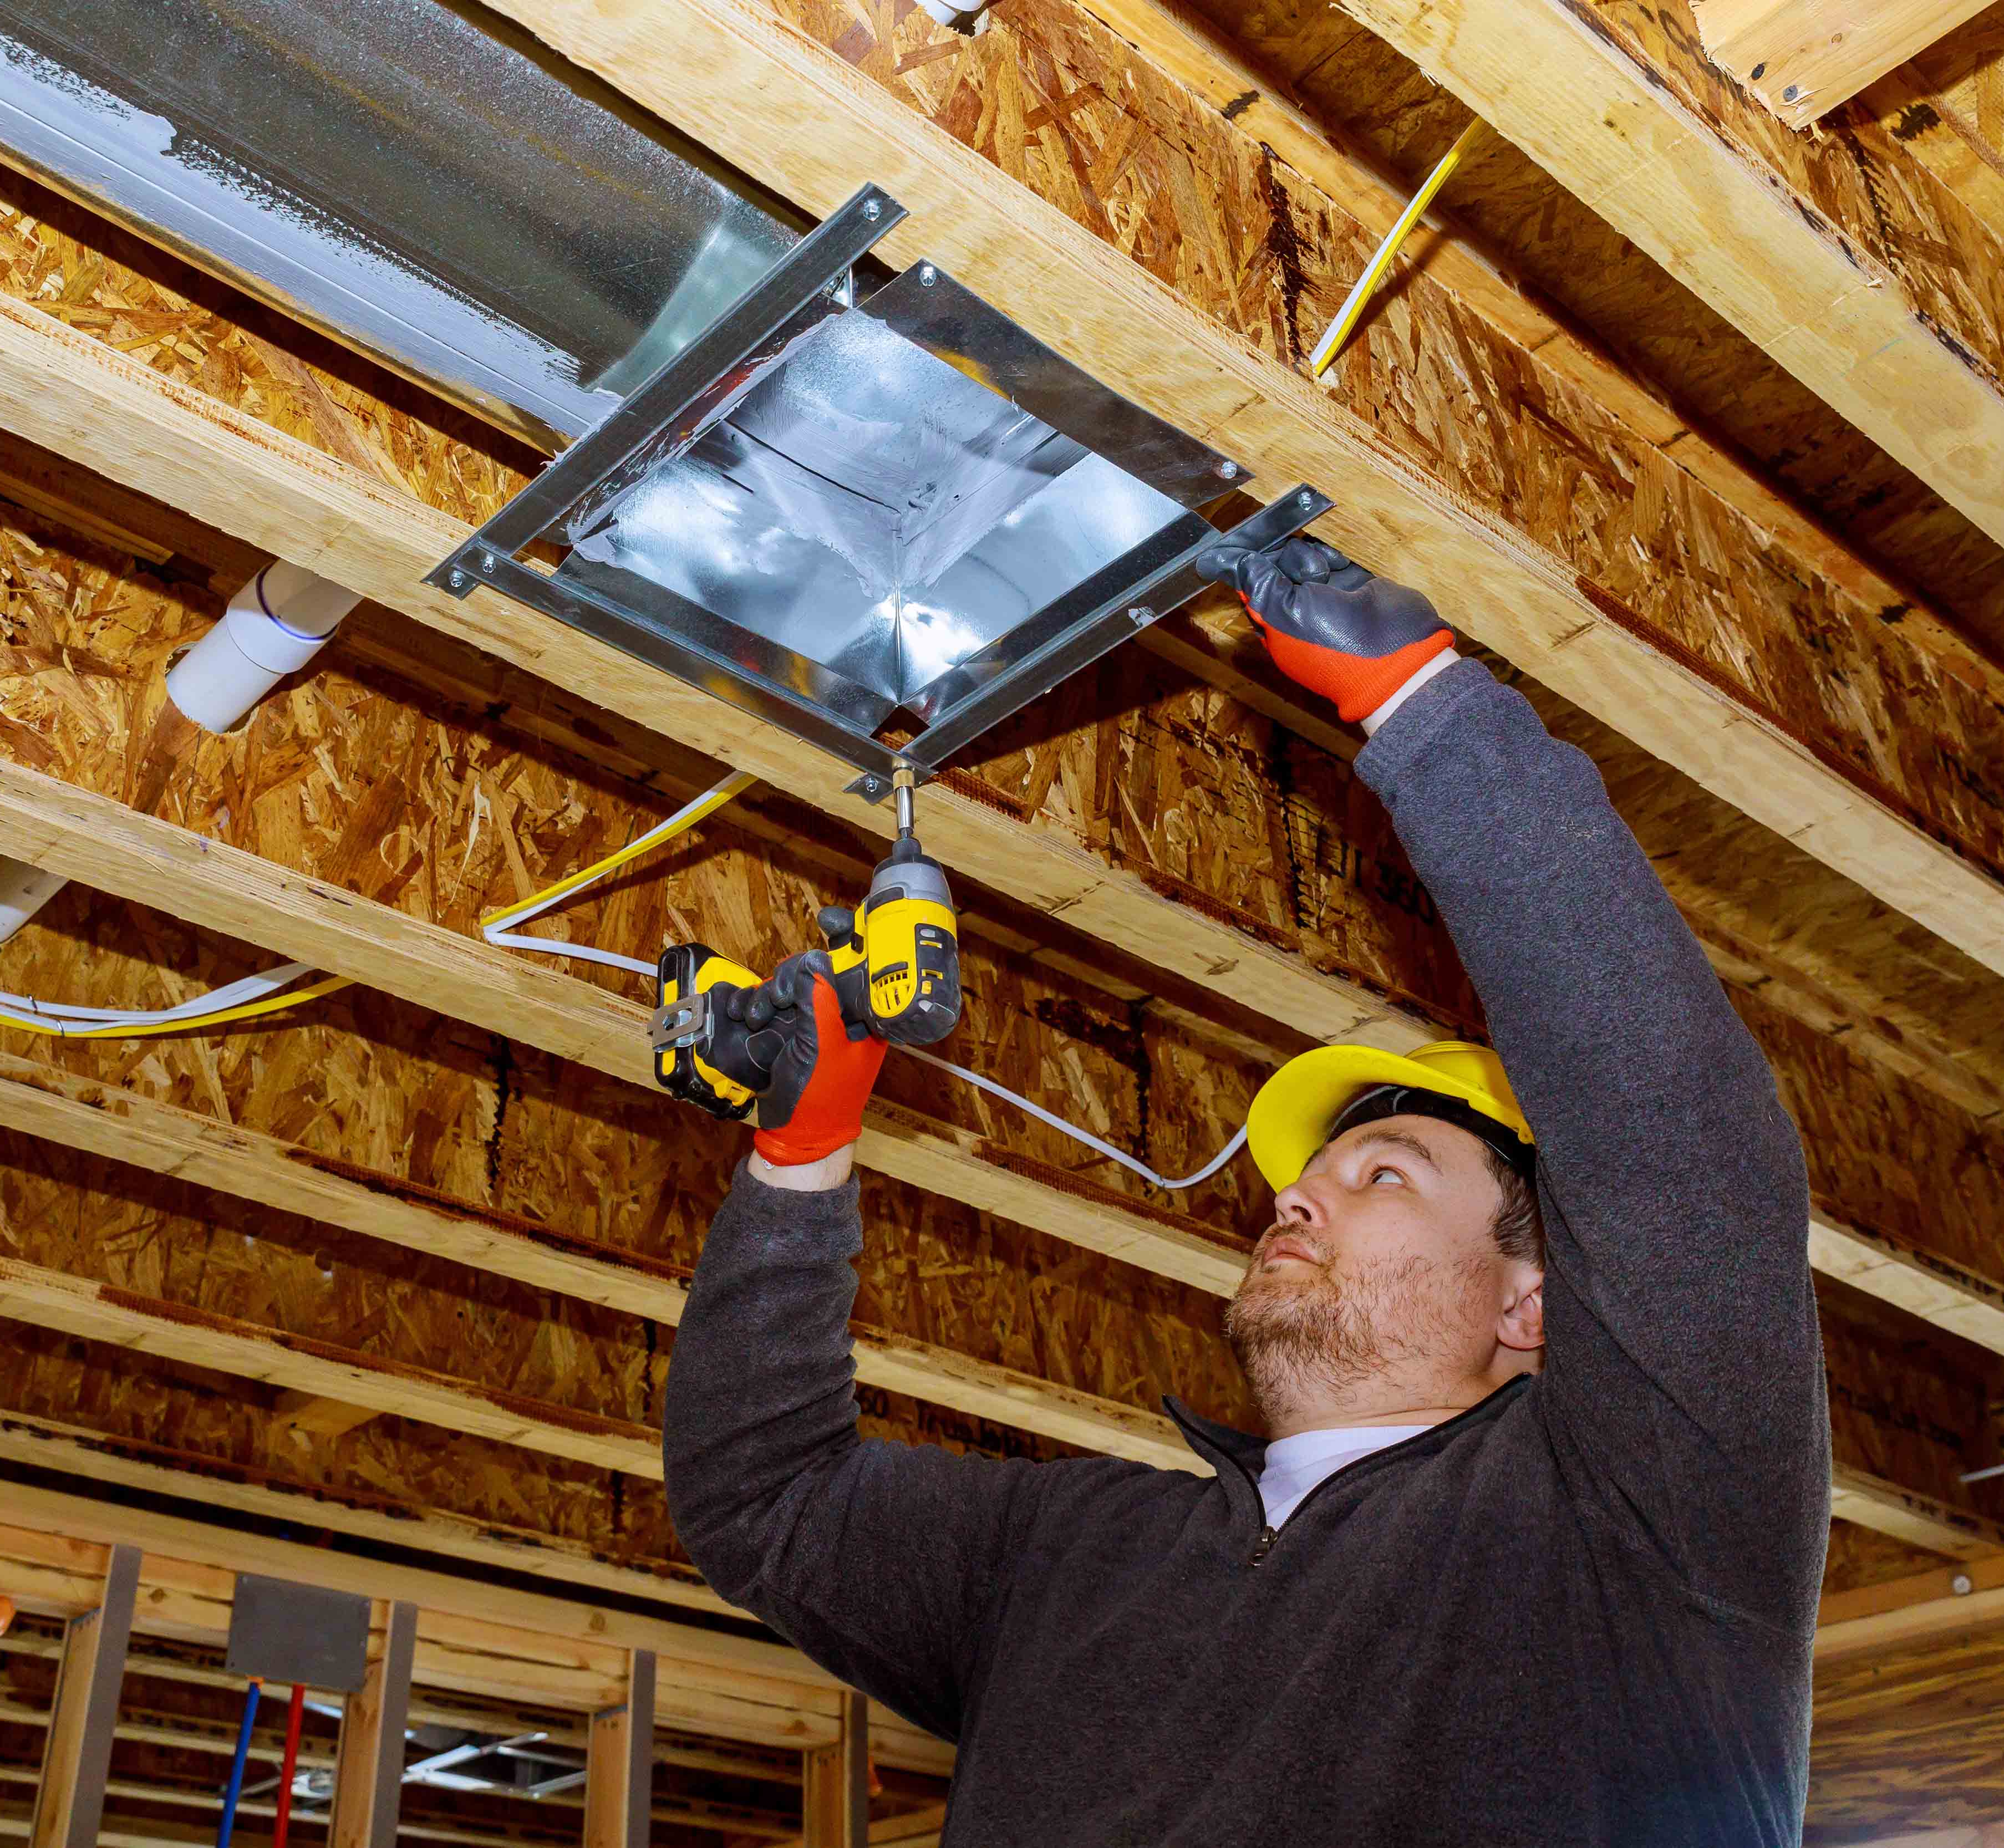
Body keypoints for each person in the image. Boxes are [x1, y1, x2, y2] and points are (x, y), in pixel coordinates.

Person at [662, 536, 1828, 1847]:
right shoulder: (1069, 1553)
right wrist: (797, 1158)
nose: (1296, 1198)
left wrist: (1429, 713)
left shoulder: (1635, 1526)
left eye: (1381, 1170)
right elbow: (767, 1504)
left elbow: (1682, 1153)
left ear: (1532, 1303)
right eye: (1307, 1172)